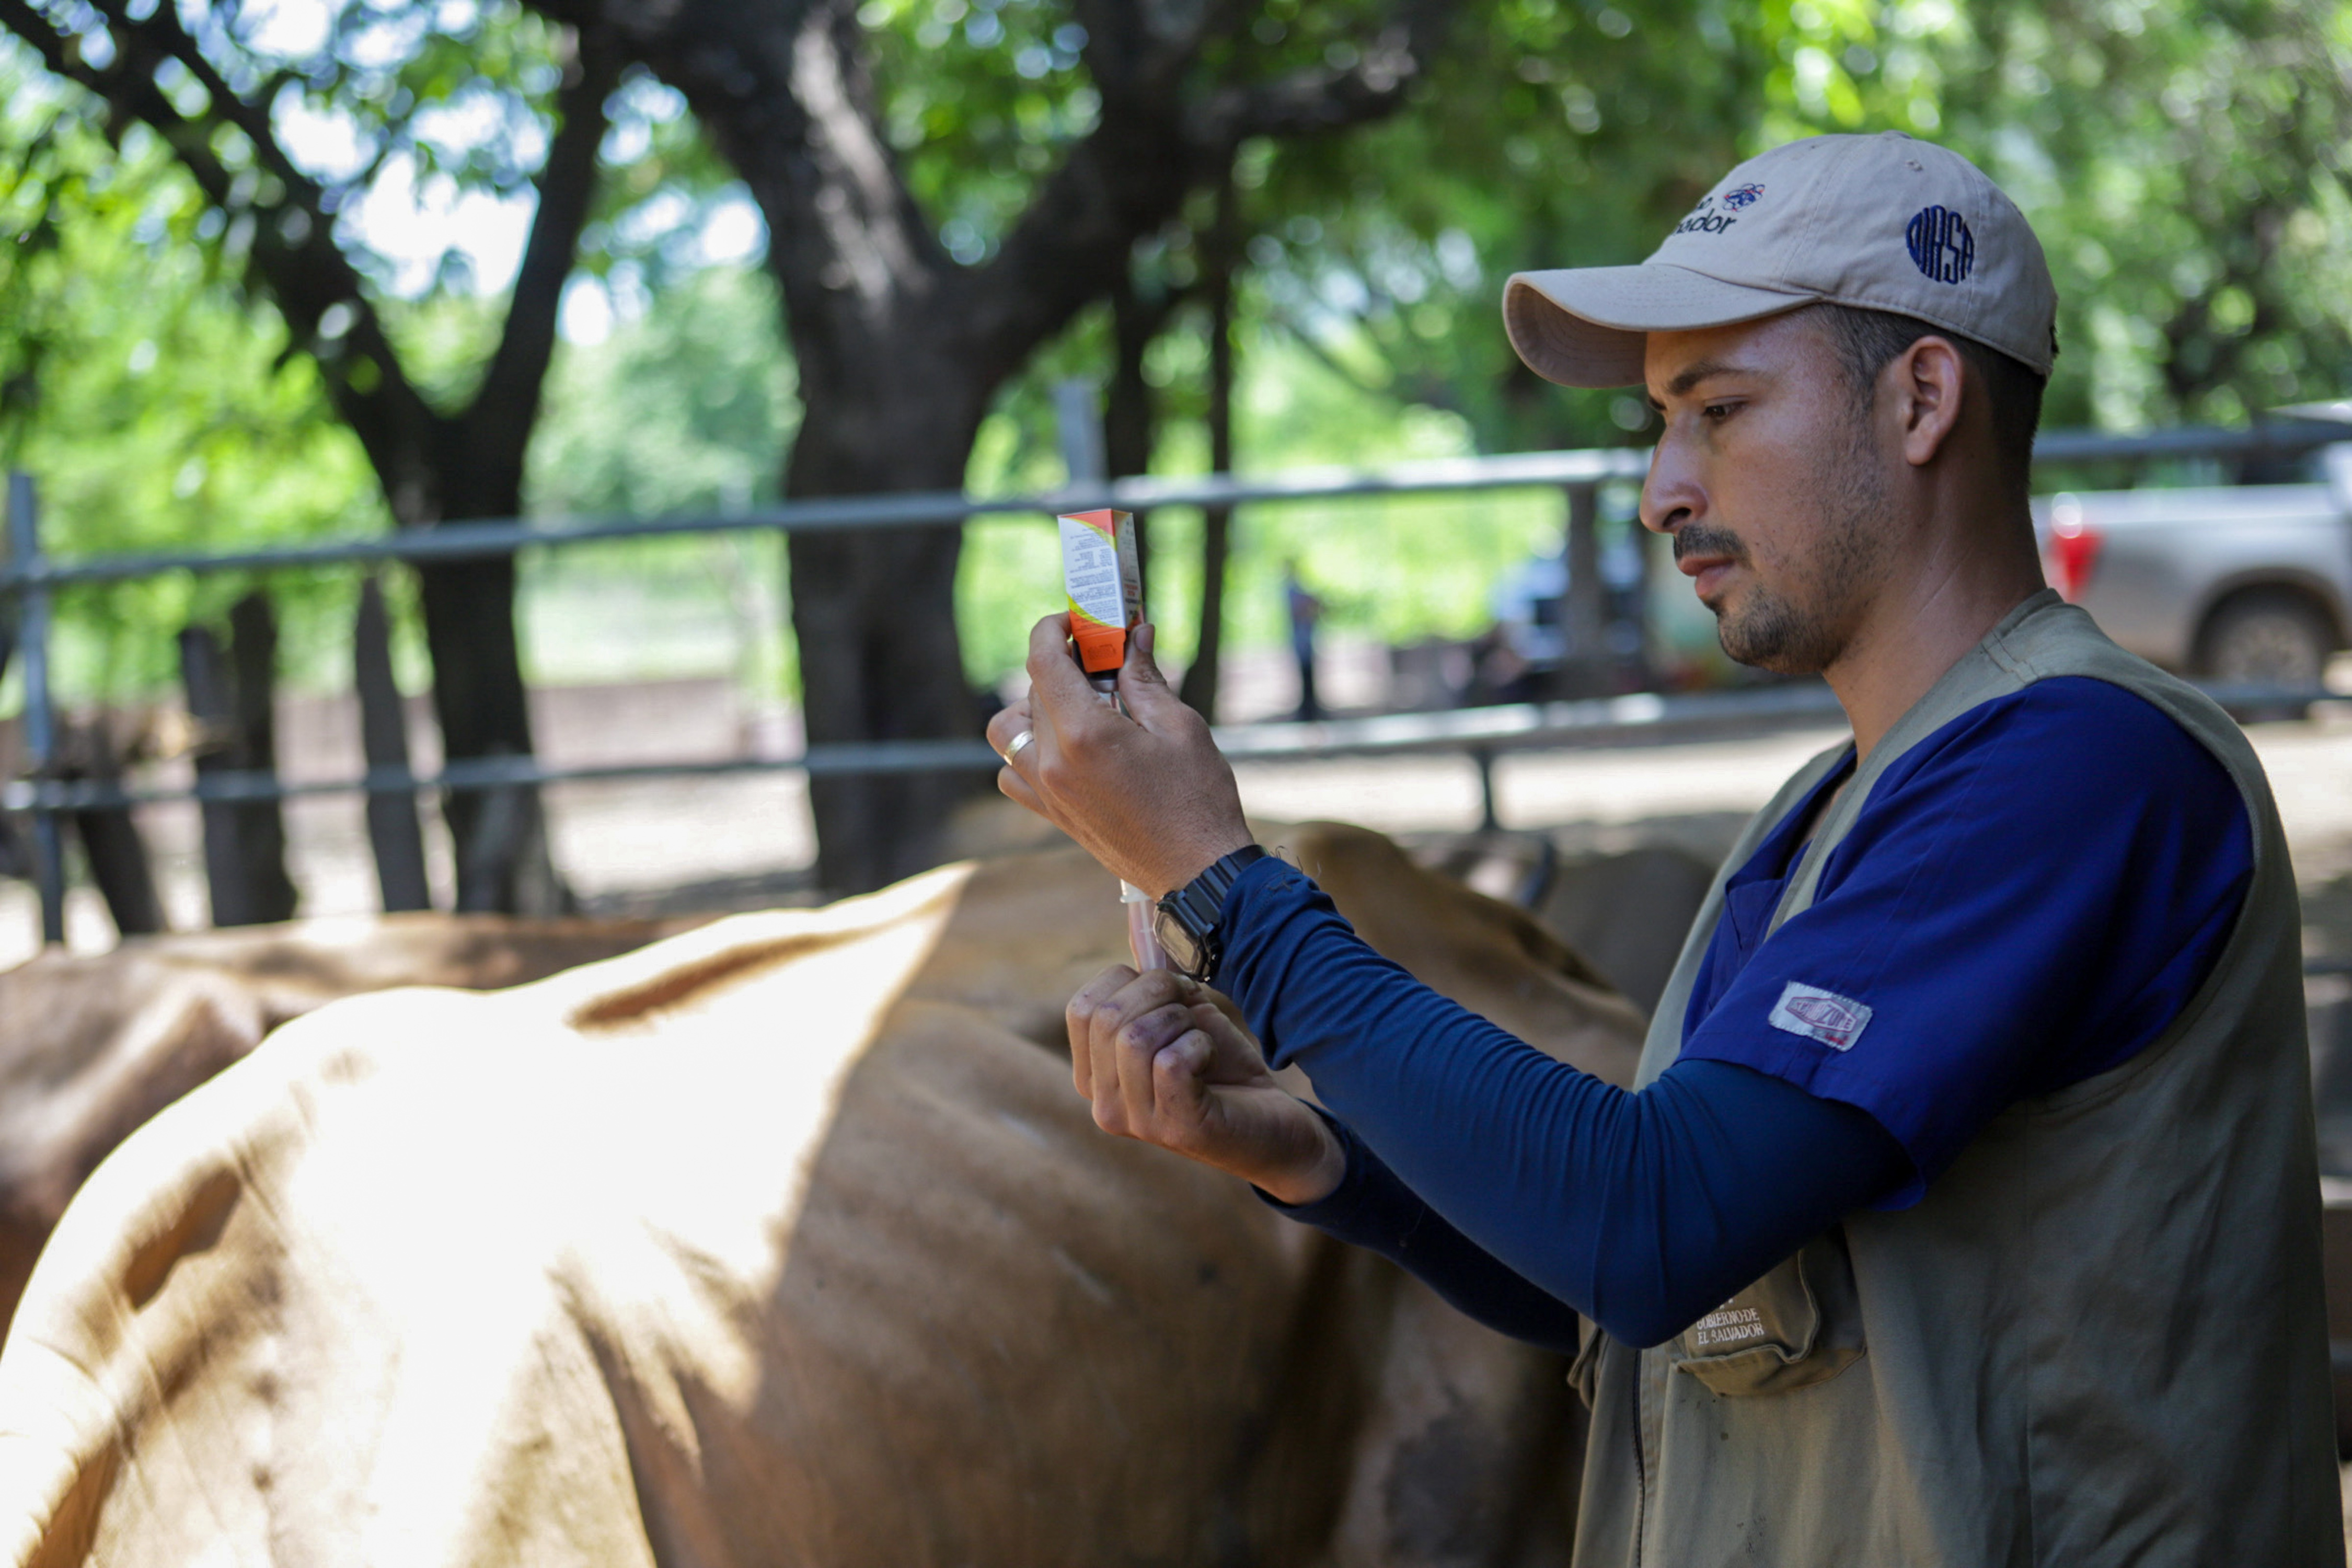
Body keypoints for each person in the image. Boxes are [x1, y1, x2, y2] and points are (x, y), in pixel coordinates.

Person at [985, 131, 2339, 1565]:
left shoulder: (2078, 765)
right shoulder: (1825, 810)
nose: (1660, 491)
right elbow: (1677, 1293)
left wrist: (1222, 885)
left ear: (1920, 398)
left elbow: (1649, 1226)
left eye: (1717, 411)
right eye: (1656, 426)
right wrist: (1315, 1155)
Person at [1283, 560, 1325, 721]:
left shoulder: (1297, 589)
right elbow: (1300, 609)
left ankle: (1310, 710)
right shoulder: (1291, 590)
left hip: (1306, 642)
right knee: (1305, 676)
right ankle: (1307, 711)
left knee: (1309, 676)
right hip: (1300, 642)